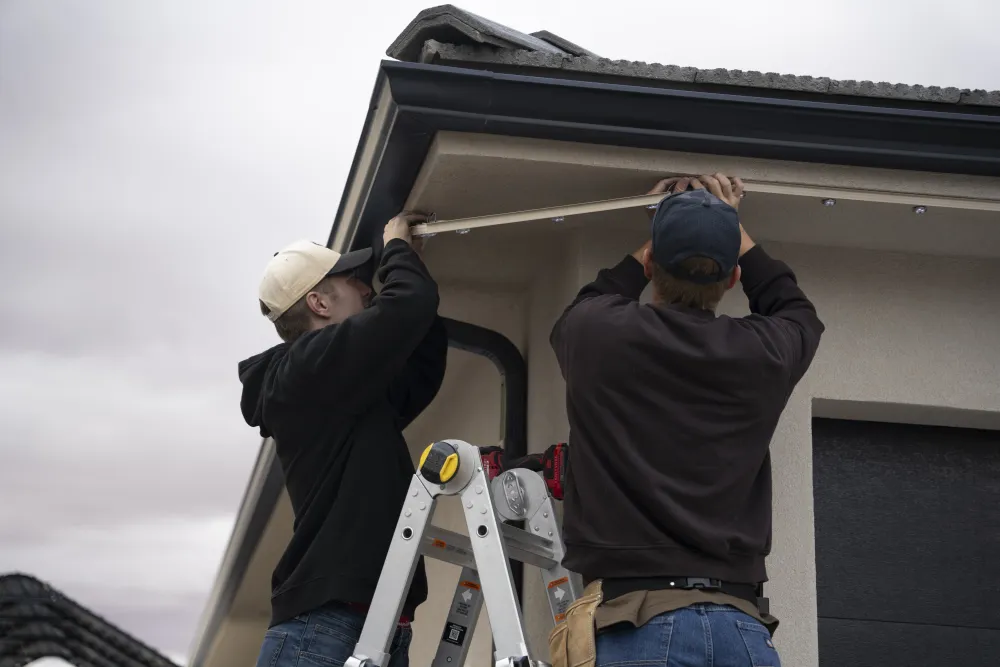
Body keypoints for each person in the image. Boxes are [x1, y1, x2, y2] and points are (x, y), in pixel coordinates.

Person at [548, 174, 824, 667]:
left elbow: (590, 301)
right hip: (744, 633)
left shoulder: (598, 336)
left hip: (637, 625)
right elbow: (796, 310)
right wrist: (727, 226)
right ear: (734, 278)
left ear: (652, 264)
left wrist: (671, 224)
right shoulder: (763, 352)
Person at [239, 212, 448, 667]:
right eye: (353, 281)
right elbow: (405, 307)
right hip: (324, 628)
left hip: (373, 622)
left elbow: (418, 366)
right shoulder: (305, 369)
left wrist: (412, 268)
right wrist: (396, 251)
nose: (367, 288)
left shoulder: (338, 385)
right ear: (319, 302)